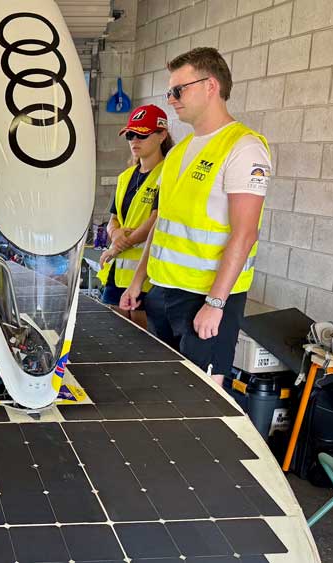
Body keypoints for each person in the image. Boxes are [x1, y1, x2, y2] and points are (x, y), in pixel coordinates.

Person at [120, 47, 270, 383]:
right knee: (163, 389)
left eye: (178, 90)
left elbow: (244, 233)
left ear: (210, 86)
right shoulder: (178, 153)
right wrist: (138, 279)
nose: (171, 99)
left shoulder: (243, 148)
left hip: (206, 298)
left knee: (203, 400)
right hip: (163, 292)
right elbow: (162, 223)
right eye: (169, 91)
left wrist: (216, 303)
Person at [98, 104, 174, 340]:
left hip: (146, 276)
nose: (134, 140)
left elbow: (155, 220)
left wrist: (118, 244)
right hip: (117, 274)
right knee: (114, 338)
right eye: (131, 135)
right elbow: (113, 218)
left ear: (162, 135)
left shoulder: (168, 174)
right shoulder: (125, 177)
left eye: (142, 134)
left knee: (141, 342)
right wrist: (116, 234)